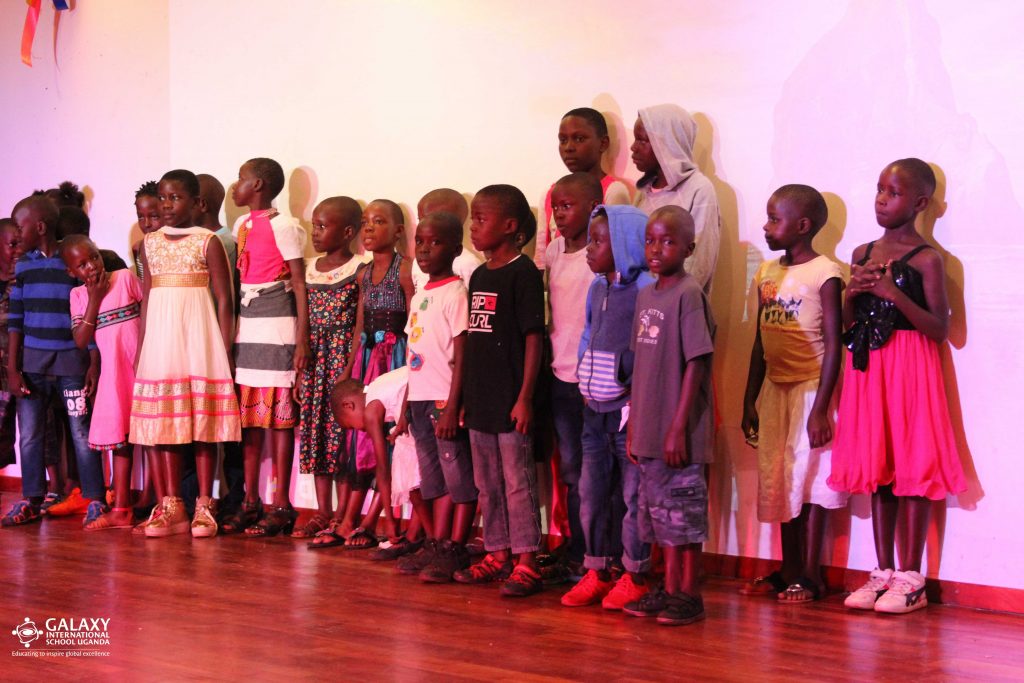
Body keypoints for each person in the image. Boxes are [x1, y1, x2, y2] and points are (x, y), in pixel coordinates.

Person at [828, 158, 966, 614]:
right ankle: (883, 571)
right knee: (879, 466)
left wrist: (893, 294)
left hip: (910, 366)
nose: (882, 200)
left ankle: (911, 576)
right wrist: (852, 294)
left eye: (894, 192)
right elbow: (848, 324)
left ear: (921, 203)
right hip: (869, 366)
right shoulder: (862, 253)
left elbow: (940, 329)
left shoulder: (928, 258)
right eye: (879, 190)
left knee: (913, 465)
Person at [739, 185, 847, 602]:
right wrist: (749, 398)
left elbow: (834, 344)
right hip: (775, 389)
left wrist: (820, 410)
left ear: (802, 226)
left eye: (774, 219)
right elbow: (759, 340)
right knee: (782, 478)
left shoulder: (825, 272)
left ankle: (811, 575)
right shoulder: (766, 272)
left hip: (810, 391)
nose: (766, 227)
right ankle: (789, 569)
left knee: (810, 482)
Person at [129, 169, 241, 538]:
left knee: (202, 424)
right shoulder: (150, 244)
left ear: (195, 202)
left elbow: (224, 299)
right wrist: (142, 345)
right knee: (165, 423)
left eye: (175, 198)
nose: (167, 205)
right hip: (161, 342)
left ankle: (204, 503)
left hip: (199, 339)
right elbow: (147, 298)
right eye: (163, 198)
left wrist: (224, 348)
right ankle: (172, 504)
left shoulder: (208, 241)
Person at [623, 205, 715, 626]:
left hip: (679, 435)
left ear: (688, 249)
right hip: (648, 431)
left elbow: (697, 362)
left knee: (683, 519)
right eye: (650, 241)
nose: (656, 249)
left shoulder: (689, 294)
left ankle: (688, 594)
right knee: (657, 519)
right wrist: (634, 425)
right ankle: (669, 586)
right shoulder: (646, 295)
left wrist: (678, 427)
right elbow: (642, 367)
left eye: (668, 241)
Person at [560, 204, 654, 609]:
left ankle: (636, 574)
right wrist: (584, 374)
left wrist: (633, 397)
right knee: (592, 493)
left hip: (627, 412)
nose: (590, 249)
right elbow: (587, 332)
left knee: (633, 497)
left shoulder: (645, 290)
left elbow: (648, 353)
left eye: (599, 241)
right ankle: (597, 570)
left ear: (626, 244)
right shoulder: (598, 288)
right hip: (593, 410)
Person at [453, 184, 545, 597]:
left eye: (481, 219)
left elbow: (533, 338)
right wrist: (464, 399)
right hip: (481, 399)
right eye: (472, 218)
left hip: (511, 400)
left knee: (517, 482)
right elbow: (475, 340)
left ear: (509, 226)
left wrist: (524, 397)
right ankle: (497, 552)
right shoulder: (479, 274)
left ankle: (527, 562)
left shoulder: (523, 274)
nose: (473, 227)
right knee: (487, 482)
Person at [1, 196, 104, 527]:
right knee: (30, 434)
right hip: (32, 367)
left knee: (81, 432)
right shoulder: (23, 266)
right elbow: (16, 319)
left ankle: (95, 498)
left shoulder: (71, 260)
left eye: (21, 227)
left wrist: (93, 362)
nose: (18, 234)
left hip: (72, 364)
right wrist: (13, 368)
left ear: (41, 227)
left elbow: (87, 313)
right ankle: (31, 499)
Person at [223, 157, 309, 536]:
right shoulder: (241, 225)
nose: (235, 186)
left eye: (241, 179)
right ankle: (250, 499)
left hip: (278, 327)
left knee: (279, 419)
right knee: (250, 420)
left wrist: (301, 338)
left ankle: (281, 504)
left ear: (257, 184)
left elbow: (299, 283)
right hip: (249, 325)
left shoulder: (284, 226)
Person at [392, 211, 477, 582]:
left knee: (458, 475)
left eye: (435, 242)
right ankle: (438, 541)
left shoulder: (456, 293)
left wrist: (453, 406)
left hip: (444, 399)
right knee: (433, 477)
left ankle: (456, 545)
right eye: (420, 242)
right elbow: (414, 356)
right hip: (421, 399)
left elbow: (462, 353)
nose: (425, 249)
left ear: (456, 249)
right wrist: (406, 407)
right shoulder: (420, 296)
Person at [331, 199, 414, 549]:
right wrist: (349, 368)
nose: (368, 227)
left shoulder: (405, 269)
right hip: (368, 362)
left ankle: (376, 520)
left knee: (390, 439)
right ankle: (351, 518)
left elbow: (414, 323)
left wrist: (411, 369)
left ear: (397, 231)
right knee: (362, 442)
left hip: (395, 360)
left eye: (378, 221)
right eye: (366, 221)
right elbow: (359, 326)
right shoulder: (364, 273)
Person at [294, 196, 367, 539]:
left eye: (323, 226)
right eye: (314, 226)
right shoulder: (308, 268)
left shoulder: (360, 268)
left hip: (341, 358)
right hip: (313, 361)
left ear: (348, 232)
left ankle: (342, 513)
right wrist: (300, 359)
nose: (316, 233)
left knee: (342, 435)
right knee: (316, 433)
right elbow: (303, 317)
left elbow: (359, 324)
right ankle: (322, 510)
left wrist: (350, 367)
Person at [62, 235, 143, 530]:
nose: (92, 267)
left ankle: (160, 501)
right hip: (114, 375)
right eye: (82, 265)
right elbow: (81, 340)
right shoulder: (78, 296)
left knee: (154, 436)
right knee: (120, 440)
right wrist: (94, 298)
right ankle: (122, 508)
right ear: (72, 272)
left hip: (140, 365)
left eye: (94, 258)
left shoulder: (124, 279)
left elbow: (149, 310)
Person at [544, 172, 603, 574]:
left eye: (567, 206)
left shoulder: (600, 255)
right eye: (555, 207)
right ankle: (576, 548)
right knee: (570, 468)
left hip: (594, 379)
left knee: (594, 471)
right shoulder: (553, 251)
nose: (559, 215)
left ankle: (596, 554)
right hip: (560, 373)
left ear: (594, 208)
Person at [631, 104, 720, 291]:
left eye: (642, 140)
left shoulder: (699, 190)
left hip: (676, 302)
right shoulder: (643, 191)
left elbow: (698, 262)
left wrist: (663, 298)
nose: (633, 147)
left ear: (667, 144)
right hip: (639, 301)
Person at [534, 107, 631, 269]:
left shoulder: (613, 191)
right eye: (563, 140)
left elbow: (618, 253)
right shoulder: (550, 194)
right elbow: (541, 258)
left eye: (579, 139)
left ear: (603, 143)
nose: (568, 147)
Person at [411, 188, 481, 293]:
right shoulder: (419, 261)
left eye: (432, 219)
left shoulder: (468, 264)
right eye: (420, 219)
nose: (423, 225)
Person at [0, 219, 23, 471]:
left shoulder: (26, 282)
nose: (18, 250)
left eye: (21, 244)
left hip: (21, 368)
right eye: (12, 244)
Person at [132, 181, 163, 280]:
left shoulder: (178, 248)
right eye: (140, 217)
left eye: (154, 216)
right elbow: (142, 282)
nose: (146, 224)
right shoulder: (138, 249)